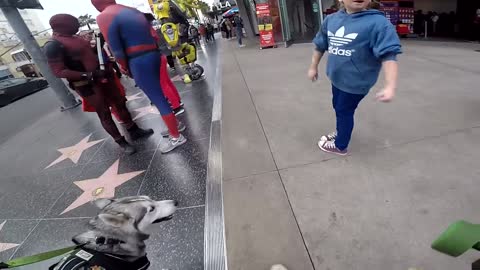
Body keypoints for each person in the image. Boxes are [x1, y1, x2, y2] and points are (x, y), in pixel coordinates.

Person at [44, 14, 154, 155]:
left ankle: (134, 131)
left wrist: (98, 51)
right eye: (74, 24)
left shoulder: (74, 37)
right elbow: (58, 71)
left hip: (103, 76)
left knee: (120, 103)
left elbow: (87, 55)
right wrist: (89, 75)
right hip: (86, 84)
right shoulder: (53, 45)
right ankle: (121, 142)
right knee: (104, 113)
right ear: (63, 26)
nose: (78, 26)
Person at [92, 0, 187, 154]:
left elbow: (115, 47)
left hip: (138, 59)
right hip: (153, 54)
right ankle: (175, 125)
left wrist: (123, 66)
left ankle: (176, 136)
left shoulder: (104, 16)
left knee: (157, 98)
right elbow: (154, 36)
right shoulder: (132, 10)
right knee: (160, 94)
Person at [308, 0, 402, 155]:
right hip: (337, 79)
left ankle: (340, 145)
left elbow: (389, 54)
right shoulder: (331, 20)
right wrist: (313, 67)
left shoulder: (378, 23)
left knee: (344, 110)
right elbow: (320, 45)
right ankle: (341, 131)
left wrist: (390, 86)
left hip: (356, 83)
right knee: (338, 107)